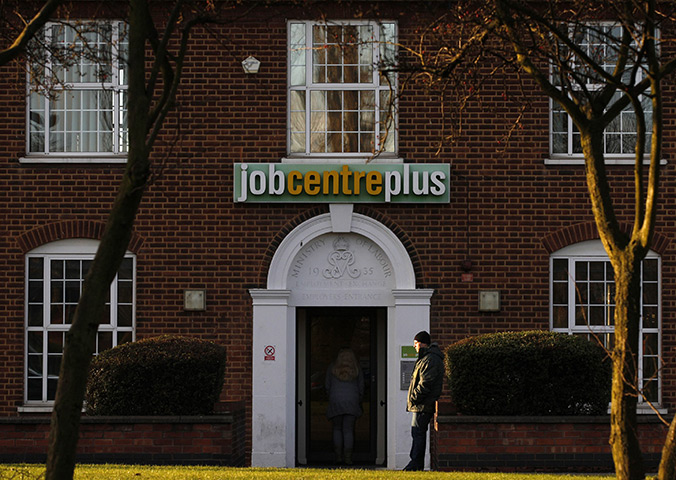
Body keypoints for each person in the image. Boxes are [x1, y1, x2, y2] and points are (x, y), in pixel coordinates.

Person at [404, 330, 444, 471]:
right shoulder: (427, 358)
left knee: (418, 433)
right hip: (421, 403)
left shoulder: (430, 359)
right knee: (418, 433)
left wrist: (414, 398)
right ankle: (415, 463)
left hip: (422, 404)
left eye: (416, 343)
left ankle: (415, 464)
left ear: (422, 343)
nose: (414, 346)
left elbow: (425, 383)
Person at [325, 348, 364, 465]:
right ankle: (348, 458)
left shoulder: (332, 368)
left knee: (337, 428)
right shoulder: (356, 369)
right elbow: (361, 386)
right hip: (352, 401)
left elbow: (327, 385)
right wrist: (359, 400)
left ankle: (338, 457)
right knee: (348, 430)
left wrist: (331, 397)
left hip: (336, 400)